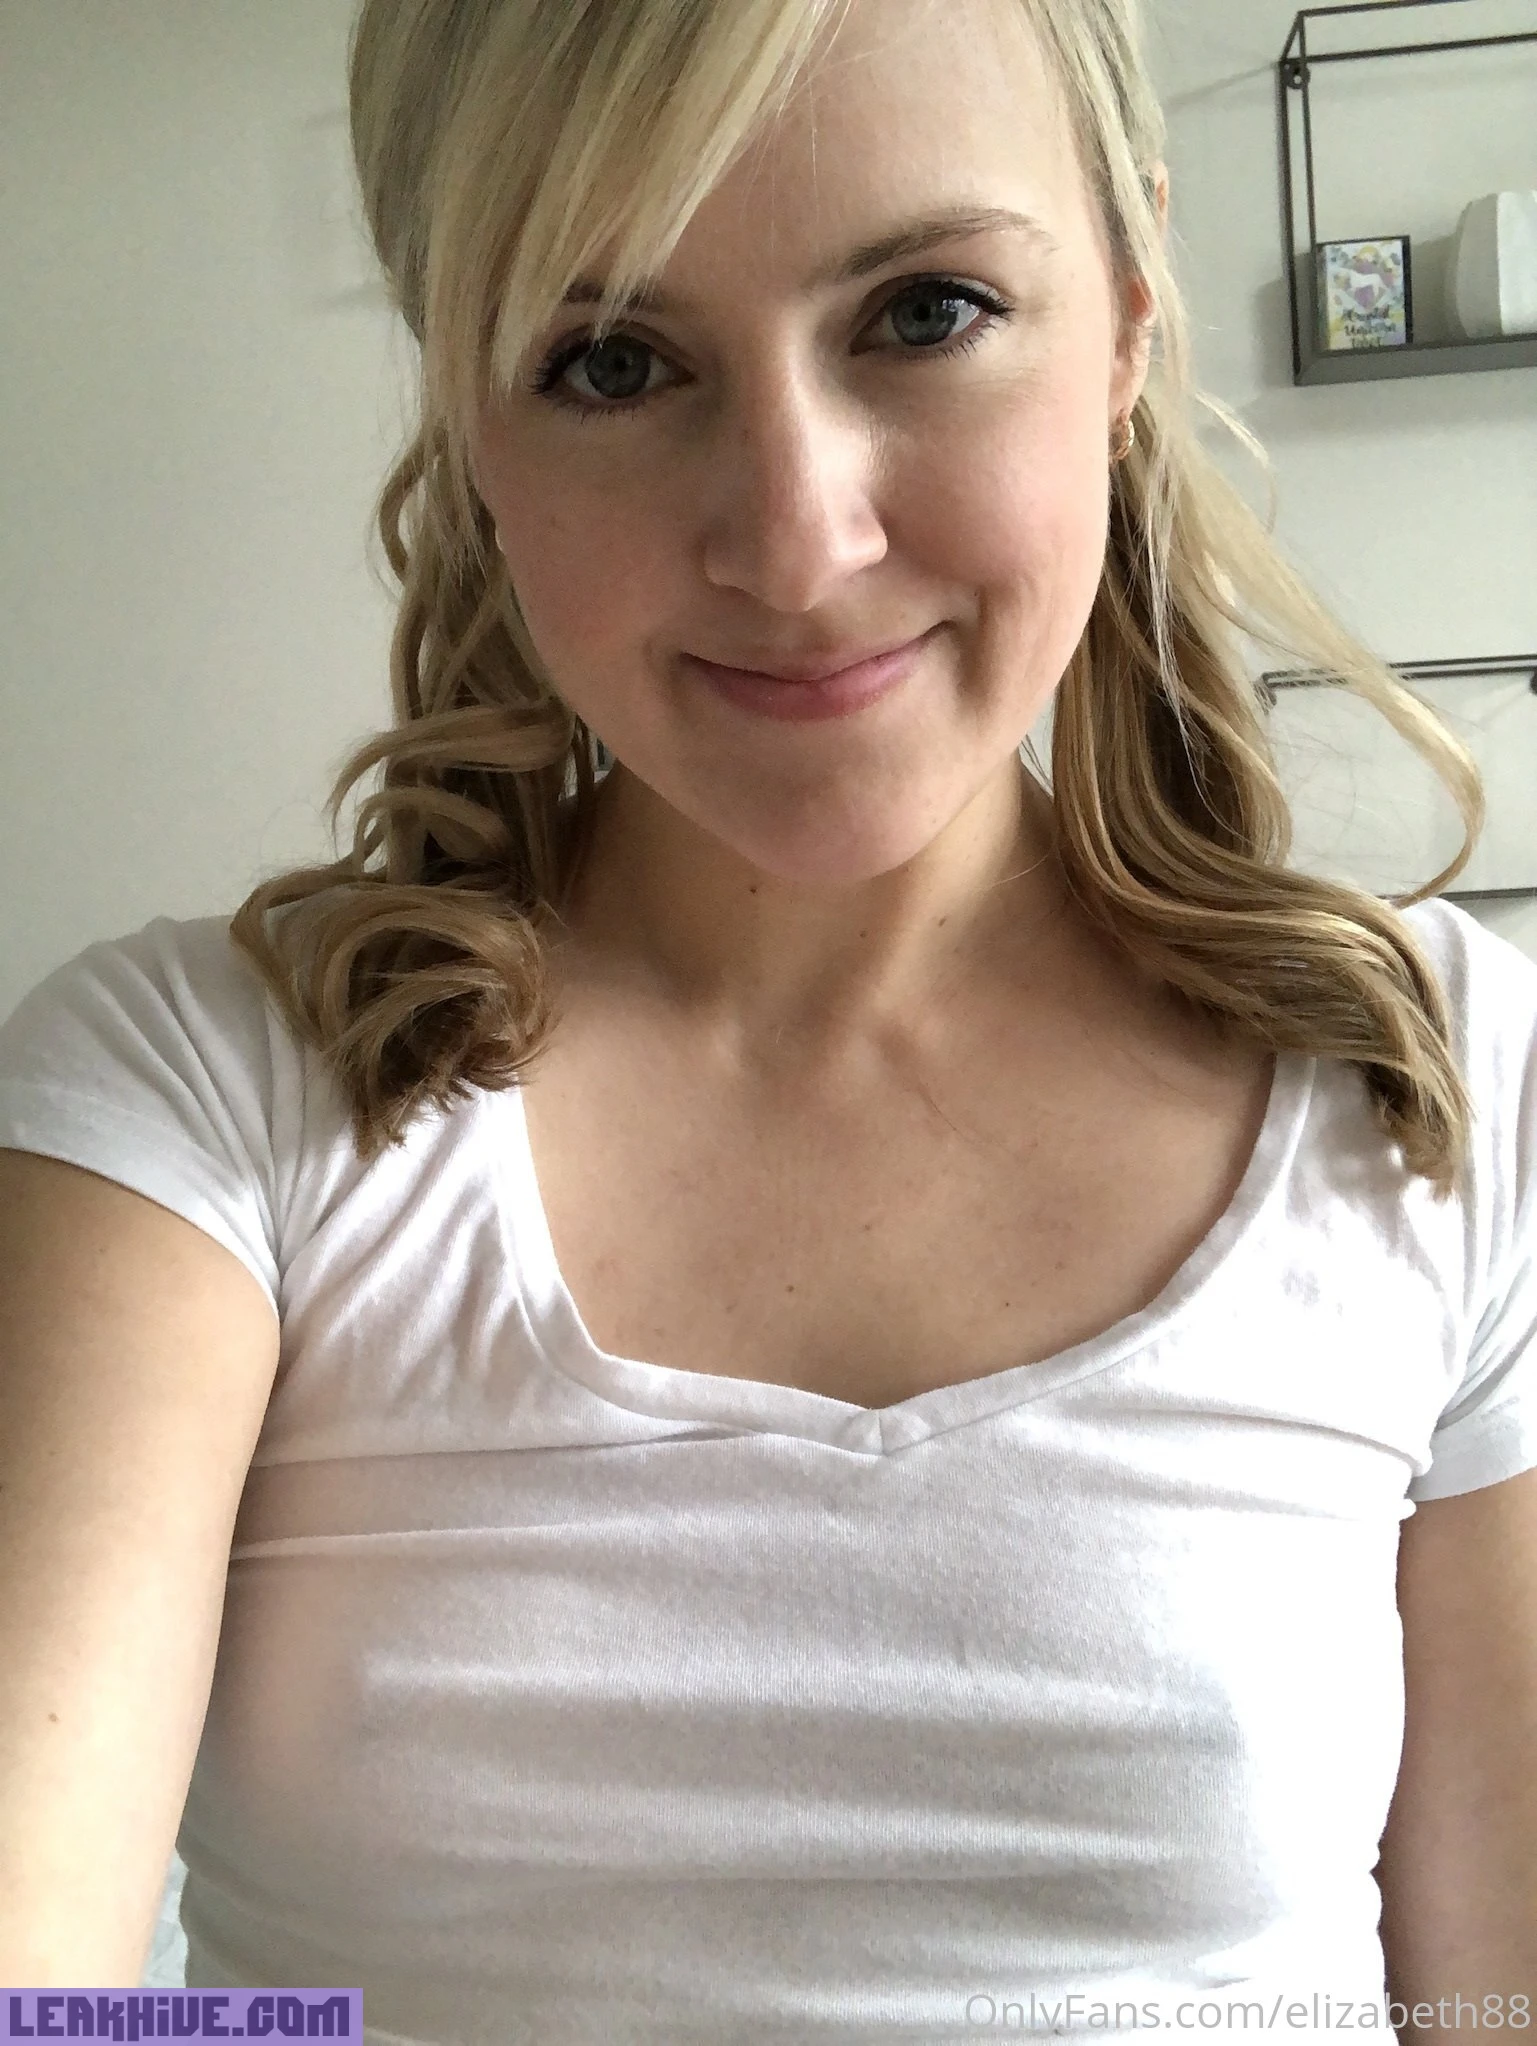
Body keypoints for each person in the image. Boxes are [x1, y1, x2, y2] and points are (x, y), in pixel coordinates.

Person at [0, 0, 1532, 2036]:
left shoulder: (1443, 1081)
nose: (799, 547)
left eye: (927, 313)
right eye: (612, 361)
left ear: (1127, 318)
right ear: (473, 419)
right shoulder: (192, 1101)